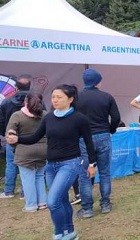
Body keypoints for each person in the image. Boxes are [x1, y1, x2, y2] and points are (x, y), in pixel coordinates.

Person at [7, 84, 97, 240]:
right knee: (61, 200)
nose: (55, 100)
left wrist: (92, 165)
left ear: (70, 99)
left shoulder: (79, 119)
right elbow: (35, 137)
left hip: (70, 164)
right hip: (50, 165)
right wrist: (18, 139)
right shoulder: (48, 117)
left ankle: (58, 233)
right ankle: (69, 232)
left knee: (52, 200)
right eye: (53, 96)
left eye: (59, 97)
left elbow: (89, 143)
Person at [74, 69, 121, 218]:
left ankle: (87, 208)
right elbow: (116, 117)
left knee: (85, 173)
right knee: (105, 171)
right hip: (103, 135)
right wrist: (110, 130)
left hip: (83, 138)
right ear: (98, 81)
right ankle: (105, 204)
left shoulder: (76, 98)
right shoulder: (106, 97)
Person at [6, 92, 47, 212]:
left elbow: (10, 135)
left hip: (24, 151)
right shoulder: (45, 114)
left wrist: (14, 145)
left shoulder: (17, 115)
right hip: (43, 150)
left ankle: (31, 205)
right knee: (39, 176)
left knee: (27, 179)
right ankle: (42, 203)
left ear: (25, 102)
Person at [0, 74, 31, 199]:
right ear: (29, 87)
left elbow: (1, 121)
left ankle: (9, 191)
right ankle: (25, 192)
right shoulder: (35, 100)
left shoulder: (6, 102)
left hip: (11, 138)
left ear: (16, 87)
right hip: (30, 138)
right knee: (27, 164)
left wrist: (6, 134)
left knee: (11, 164)